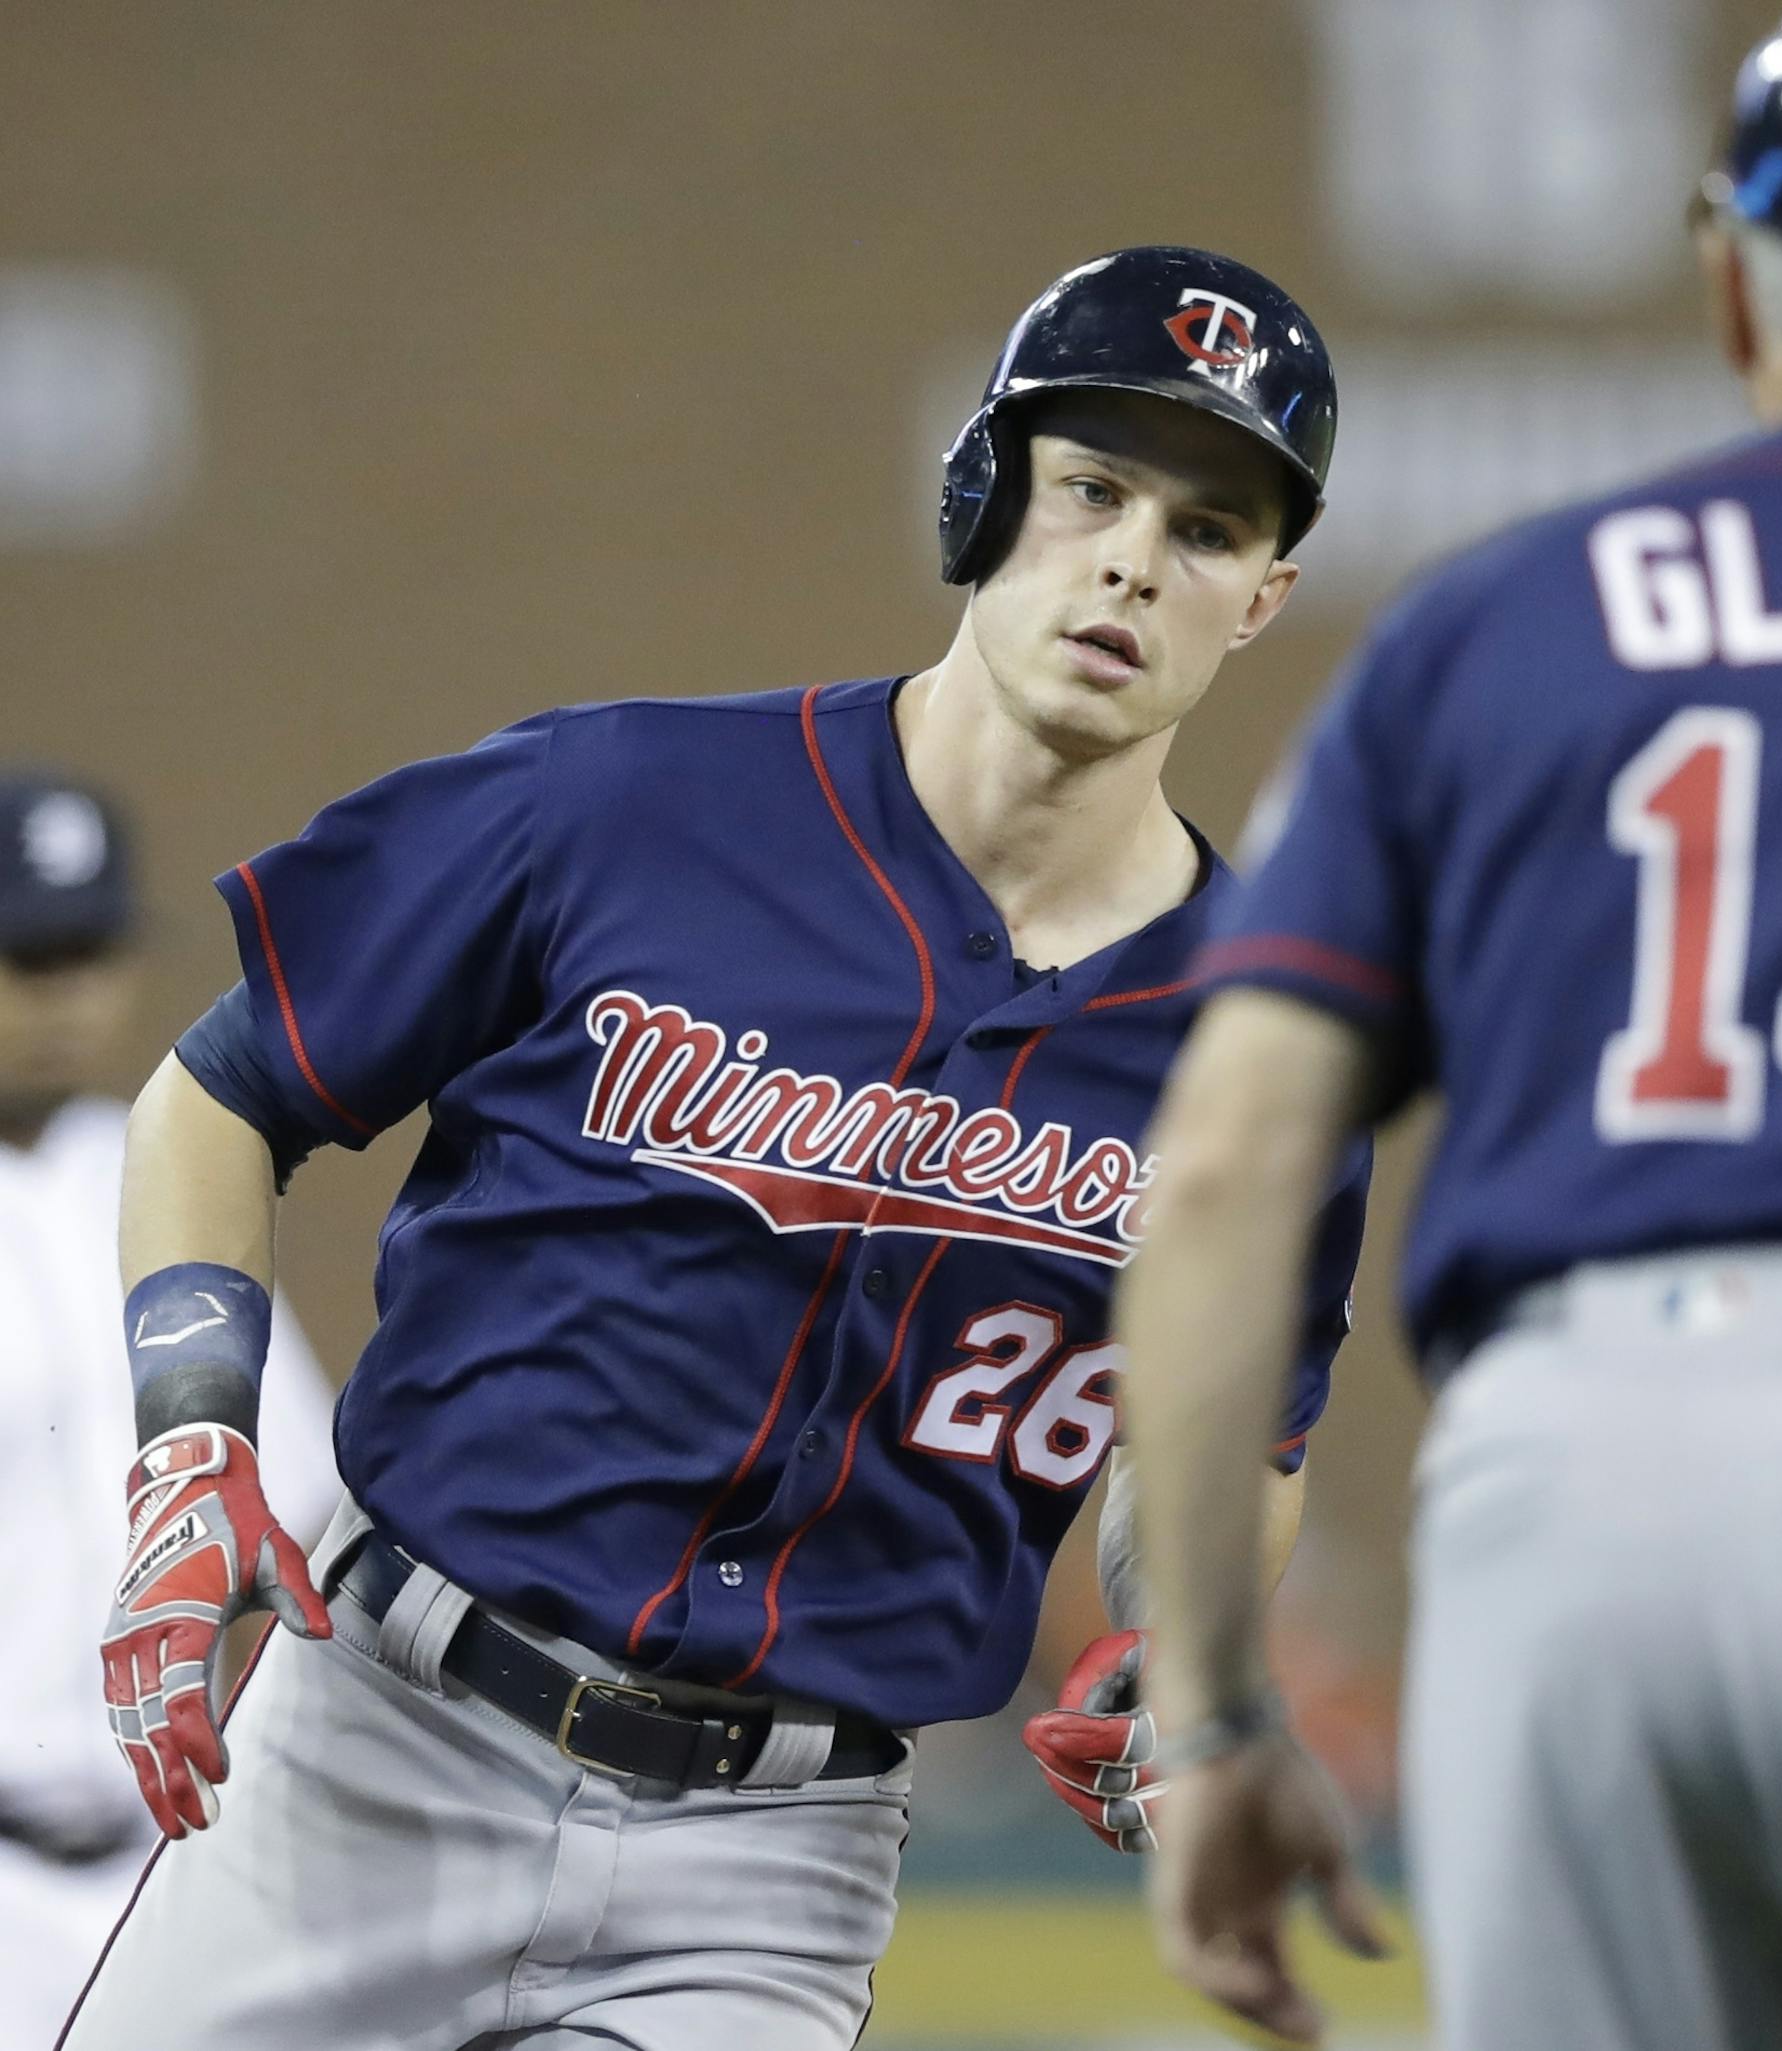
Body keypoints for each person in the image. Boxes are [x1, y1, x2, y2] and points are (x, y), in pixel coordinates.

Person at [61, 245, 1366, 2051]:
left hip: (778, 1862)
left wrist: (1202, 1643)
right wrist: (190, 1447)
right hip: (374, 1751)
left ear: (1264, 597)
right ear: (983, 494)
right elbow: (222, 1093)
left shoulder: (1262, 1042)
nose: (1138, 557)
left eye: (1210, 527)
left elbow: (1228, 1428)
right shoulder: (620, 805)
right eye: (1092, 488)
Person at [1119, 7, 1782, 2049]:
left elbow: (1228, 1162)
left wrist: (1216, 1705)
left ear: (1733, 277)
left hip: (1560, 1477)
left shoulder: (1490, 624)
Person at [0, 773, 337, 2051]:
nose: (63, 999)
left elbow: (297, 1500)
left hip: (176, 1869)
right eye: (26, 956)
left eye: (89, 952)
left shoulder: (163, 1176)